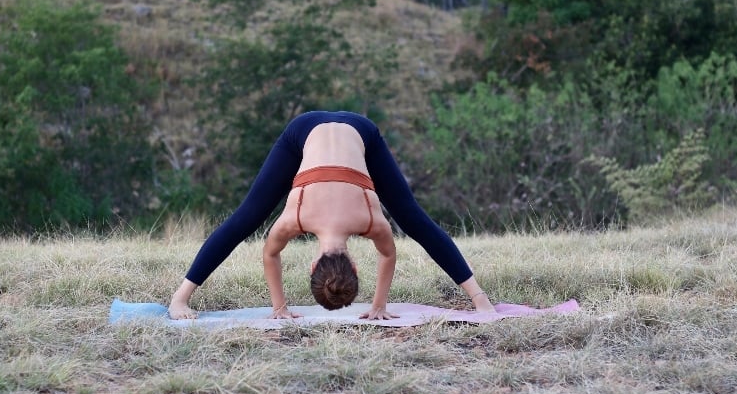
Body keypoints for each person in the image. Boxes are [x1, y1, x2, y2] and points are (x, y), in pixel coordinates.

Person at [168, 110, 496, 320]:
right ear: (313, 265)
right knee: (413, 219)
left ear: (353, 265)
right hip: (342, 130)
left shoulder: (367, 220)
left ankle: (180, 298)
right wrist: (377, 308)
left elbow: (387, 254)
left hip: (323, 129)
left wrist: (281, 309)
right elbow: (270, 253)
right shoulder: (297, 219)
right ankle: (479, 299)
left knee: (247, 217)